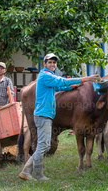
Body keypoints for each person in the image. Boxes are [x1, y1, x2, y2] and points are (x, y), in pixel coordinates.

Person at [19, 53, 101, 181]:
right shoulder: (45, 75)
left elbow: (60, 86)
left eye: (54, 62)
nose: (52, 64)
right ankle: (27, 171)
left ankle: (35, 173)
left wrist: (73, 86)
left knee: (43, 144)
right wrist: (86, 79)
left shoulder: (49, 77)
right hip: (43, 115)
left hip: (45, 115)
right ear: (45, 64)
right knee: (44, 145)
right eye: (50, 62)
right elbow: (62, 81)